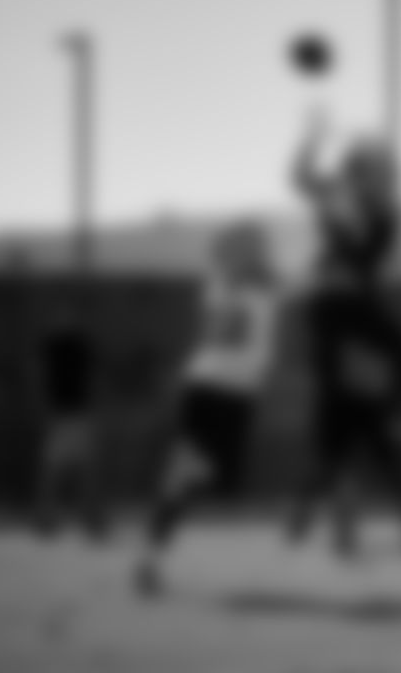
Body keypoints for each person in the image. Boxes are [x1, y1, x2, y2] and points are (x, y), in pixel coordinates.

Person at [286, 110, 401, 560]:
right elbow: (302, 177)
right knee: (352, 423)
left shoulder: (382, 213)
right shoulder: (348, 197)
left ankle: (316, 508)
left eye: (388, 171)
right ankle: (335, 519)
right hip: (334, 312)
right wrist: (311, 136)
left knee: (364, 418)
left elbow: (359, 240)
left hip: (355, 312)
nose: (390, 177)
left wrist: (344, 186)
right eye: (381, 169)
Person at [134, 222, 283, 595]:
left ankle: (171, 499)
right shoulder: (229, 283)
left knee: (224, 483)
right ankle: (150, 555)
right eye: (254, 245)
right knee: (189, 473)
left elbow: (273, 287)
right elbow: (230, 318)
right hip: (211, 388)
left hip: (236, 392)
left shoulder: (252, 283)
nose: (262, 251)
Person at [34, 310, 105, 538]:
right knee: (72, 469)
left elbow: (39, 373)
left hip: (70, 413)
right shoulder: (66, 344)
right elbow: (94, 375)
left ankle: (65, 520)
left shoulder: (58, 344)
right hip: (69, 413)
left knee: (61, 469)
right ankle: (81, 520)